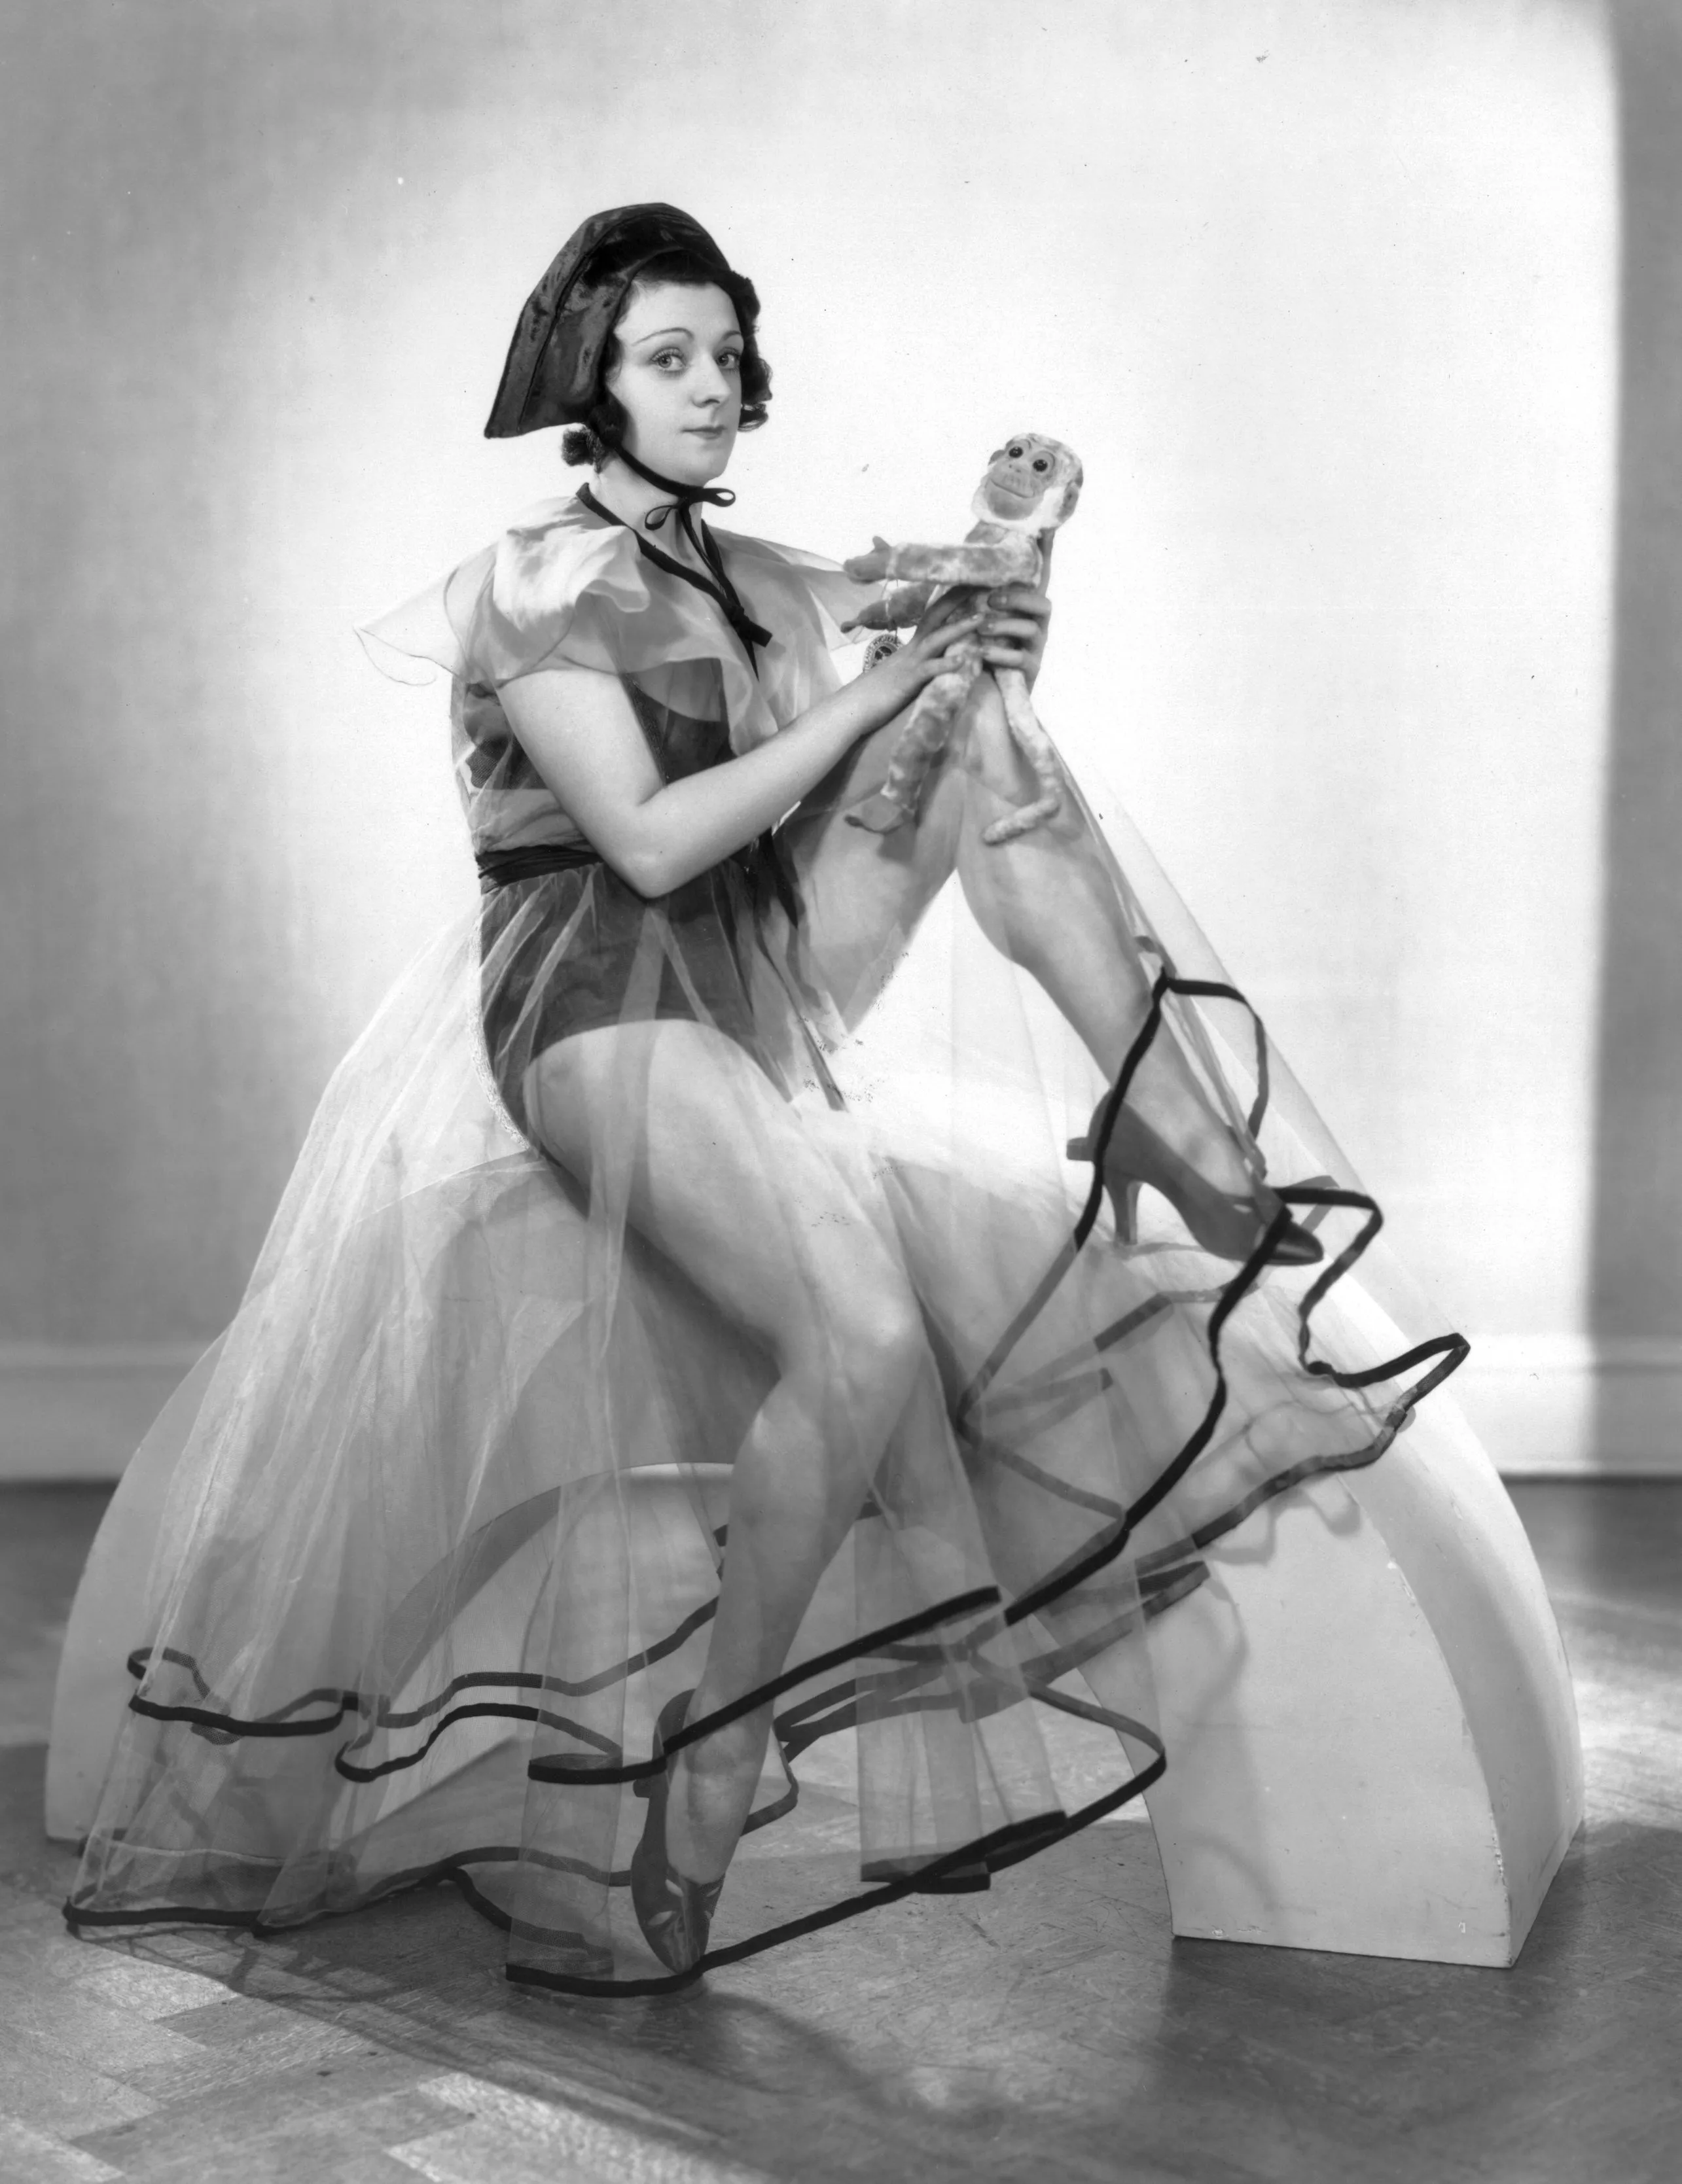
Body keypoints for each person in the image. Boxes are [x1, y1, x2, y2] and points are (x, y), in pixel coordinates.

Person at [60, 205, 1465, 1996]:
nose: (713, 385)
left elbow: (949, 672)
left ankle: (1167, 1121)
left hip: (747, 967)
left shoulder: (766, 576)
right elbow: (647, 844)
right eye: (668, 358)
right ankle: (709, 1774)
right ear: (590, 382)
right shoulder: (530, 585)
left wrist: (1006, 563)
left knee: (974, 720)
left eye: (727, 353)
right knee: (861, 1339)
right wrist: (876, 685)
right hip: (592, 993)